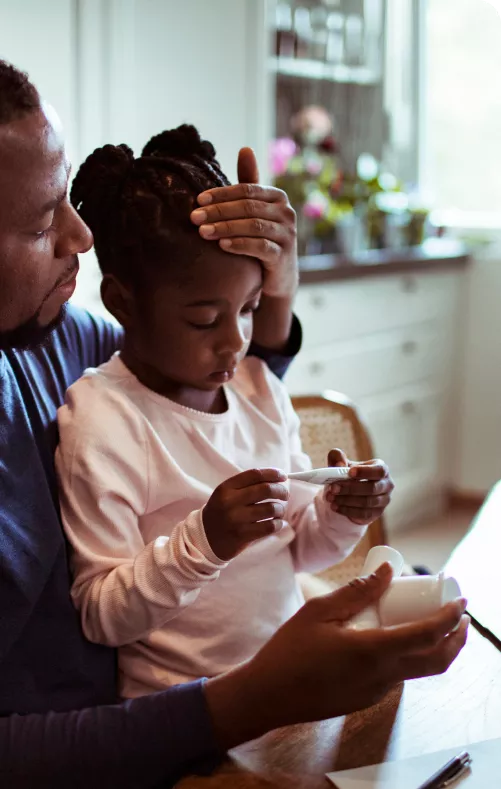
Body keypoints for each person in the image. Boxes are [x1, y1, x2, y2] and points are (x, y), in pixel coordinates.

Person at [0, 59, 468, 789]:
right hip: (155, 738)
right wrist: (253, 694)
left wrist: (271, 290)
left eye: (68, 200)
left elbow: (188, 398)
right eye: (40, 222)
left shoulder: (54, 330)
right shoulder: (92, 402)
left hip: (243, 704)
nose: (80, 237)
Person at [56, 123, 391, 697]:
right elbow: (101, 615)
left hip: (290, 681)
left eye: (249, 309)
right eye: (205, 320)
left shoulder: (259, 389)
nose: (236, 342)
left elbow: (302, 552)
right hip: (188, 712)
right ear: (121, 303)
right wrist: (204, 542)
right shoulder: (102, 420)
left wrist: (341, 513)